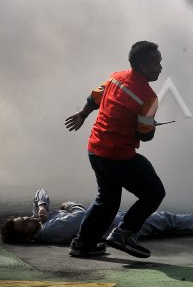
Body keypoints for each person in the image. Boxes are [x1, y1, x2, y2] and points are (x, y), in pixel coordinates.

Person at [64, 41, 167, 259]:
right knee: (154, 192)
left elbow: (94, 98)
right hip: (117, 157)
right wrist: (151, 125)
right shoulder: (149, 97)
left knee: (107, 200)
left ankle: (83, 244)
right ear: (141, 65)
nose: (160, 67)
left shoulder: (115, 77)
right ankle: (124, 232)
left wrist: (82, 114)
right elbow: (144, 135)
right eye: (156, 63)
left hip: (95, 150)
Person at [0, 188, 193, 245]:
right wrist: (69, 204)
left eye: (22, 219)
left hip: (111, 220)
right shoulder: (50, 230)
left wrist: (41, 206)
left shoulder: (40, 220)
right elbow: (82, 216)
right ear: (28, 237)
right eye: (24, 226)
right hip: (114, 225)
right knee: (164, 221)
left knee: (163, 221)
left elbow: (40, 191)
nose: (28, 220)